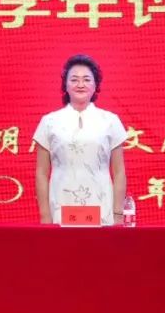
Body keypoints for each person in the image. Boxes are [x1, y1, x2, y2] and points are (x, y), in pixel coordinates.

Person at [34, 54, 127, 225]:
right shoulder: (49, 122)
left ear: (95, 85)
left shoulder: (110, 121)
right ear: (65, 85)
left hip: (102, 208)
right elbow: (41, 172)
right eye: (74, 80)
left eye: (87, 79)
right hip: (60, 207)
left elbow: (119, 171)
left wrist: (118, 214)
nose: (80, 84)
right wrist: (45, 216)